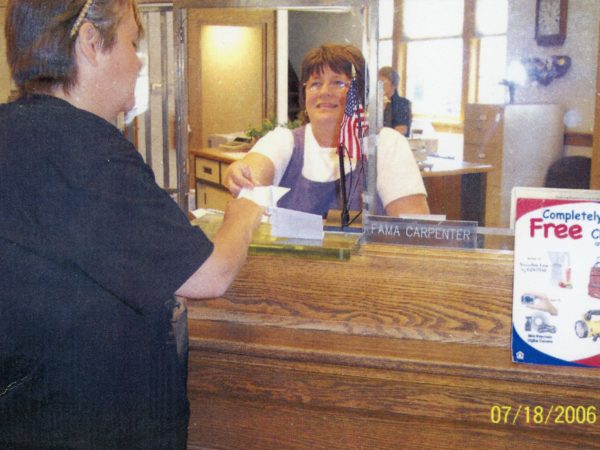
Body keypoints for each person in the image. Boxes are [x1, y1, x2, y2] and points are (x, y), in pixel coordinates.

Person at [0, 1, 264, 448]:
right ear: (89, 42)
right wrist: (250, 204)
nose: (139, 60)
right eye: (132, 41)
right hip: (88, 423)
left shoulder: (15, 131)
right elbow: (211, 274)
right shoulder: (82, 145)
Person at [225, 44, 429, 218]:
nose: (324, 92)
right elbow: (252, 181)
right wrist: (244, 177)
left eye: (338, 83)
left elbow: (413, 230)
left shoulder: (386, 144)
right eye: (315, 84)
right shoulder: (283, 140)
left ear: (360, 94)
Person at [378, 66, 412, 137]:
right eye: (378, 82)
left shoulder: (402, 104)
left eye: (383, 82)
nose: (379, 85)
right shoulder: (375, 103)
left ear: (393, 85)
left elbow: (402, 130)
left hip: (395, 143)